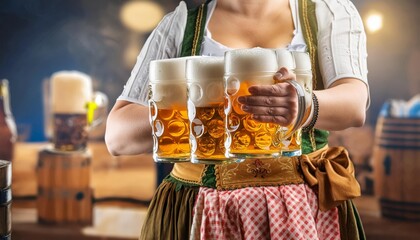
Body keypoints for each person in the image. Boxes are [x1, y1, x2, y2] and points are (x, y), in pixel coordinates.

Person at [105, 0, 369, 239]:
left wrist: (303, 103)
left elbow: (355, 104)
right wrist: (198, 108)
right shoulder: (182, 22)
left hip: (303, 206)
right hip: (200, 204)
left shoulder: (328, 11)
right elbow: (118, 137)